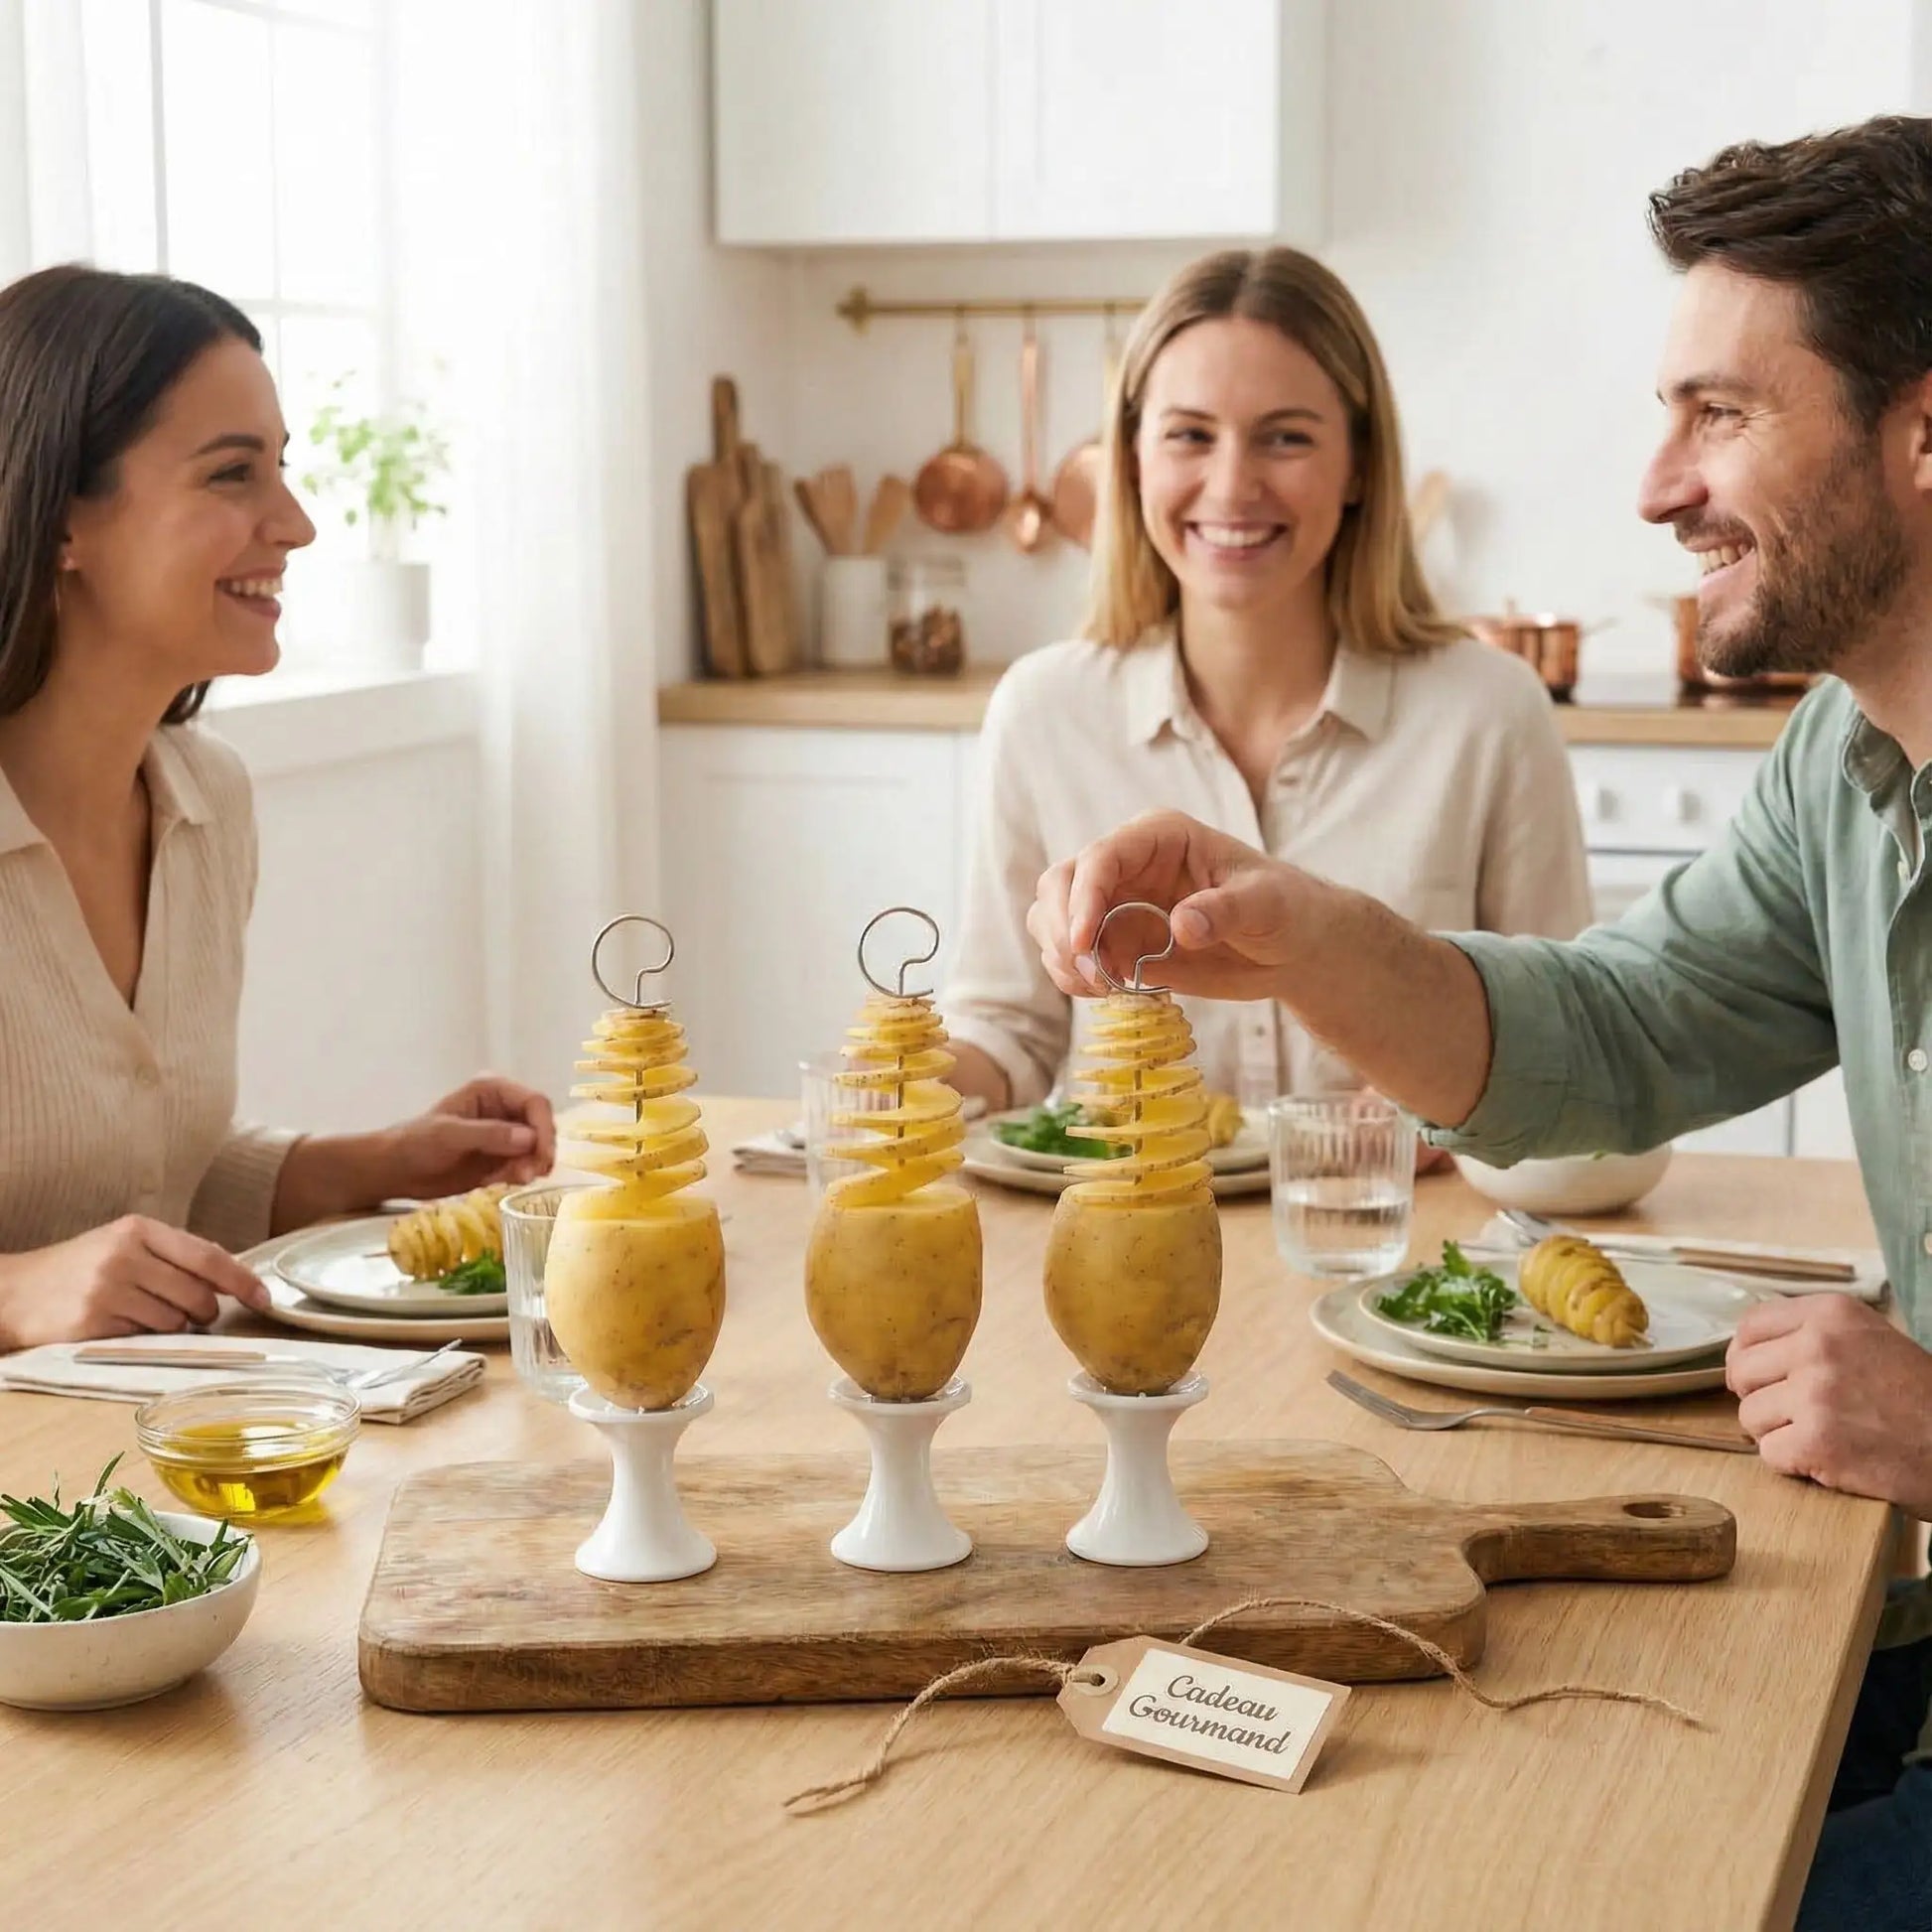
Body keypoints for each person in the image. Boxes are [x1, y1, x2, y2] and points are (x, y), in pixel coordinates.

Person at [1028, 118, 1932, 1930]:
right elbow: (1622, 1022)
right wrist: (1299, 935)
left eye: (1720, 416)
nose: (1657, 488)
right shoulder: (1846, 763)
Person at [0, 265, 554, 1351]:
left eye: (281, 469)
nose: (294, 522)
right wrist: (14, 1294)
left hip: (133, 1443)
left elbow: (147, 1183)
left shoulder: (206, 801)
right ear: (64, 517)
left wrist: (370, 1164)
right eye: (230, 475)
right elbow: (53, 1257)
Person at [938, 245, 1589, 1116]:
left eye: (1286, 437)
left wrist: (1431, 1102)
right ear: (1131, 459)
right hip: (1137, 1241)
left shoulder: (1491, 714)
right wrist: (901, 1084)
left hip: (1397, 1242)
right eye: (1190, 435)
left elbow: (1565, 1045)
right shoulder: (1042, 711)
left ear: (1359, 464)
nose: (1232, 485)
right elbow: (1006, 1035)